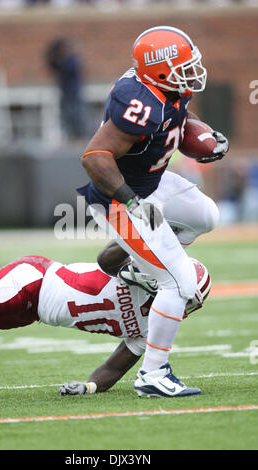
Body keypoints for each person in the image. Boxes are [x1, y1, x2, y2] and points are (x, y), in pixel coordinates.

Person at [77, 26, 229, 397]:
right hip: (120, 199)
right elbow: (95, 157)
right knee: (179, 282)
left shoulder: (167, 89)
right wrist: (132, 203)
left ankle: (131, 260)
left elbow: (176, 118)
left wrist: (202, 135)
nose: (192, 72)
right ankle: (153, 374)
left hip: (152, 181)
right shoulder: (139, 102)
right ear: (160, 70)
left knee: (206, 216)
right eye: (184, 66)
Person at [0, 190, 211, 397]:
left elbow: (114, 368)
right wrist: (141, 243)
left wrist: (88, 387)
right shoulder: (145, 269)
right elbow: (105, 260)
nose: (183, 304)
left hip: (30, 314)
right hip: (31, 282)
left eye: (190, 302)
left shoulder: (154, 329)